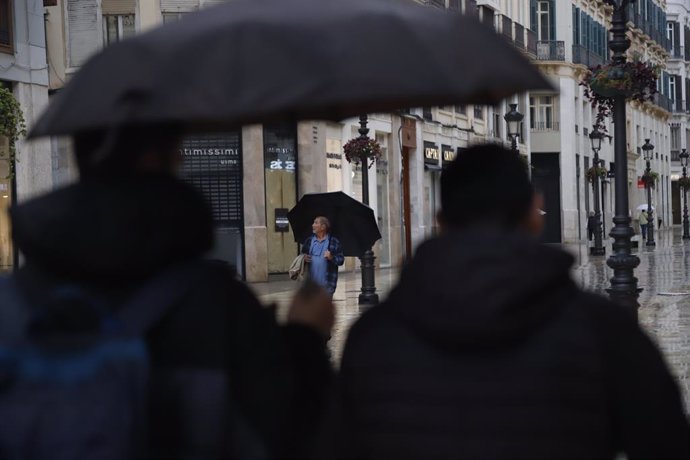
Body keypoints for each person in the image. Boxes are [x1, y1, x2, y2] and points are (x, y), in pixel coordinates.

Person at [328, 144, 689, 460]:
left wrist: (305, 341)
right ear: (535, 215)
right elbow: (668, 443)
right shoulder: (603, 331)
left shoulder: (373, 338)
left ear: (441, 222)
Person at [2, 125, 334, 459]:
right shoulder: (216, 305)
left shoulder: (9, 304)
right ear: (155, 158)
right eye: (176, 149)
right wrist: (306, 338)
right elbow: (294, 436)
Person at [302, 216, 344, 298]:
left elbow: (341, 260)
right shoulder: (309, 241)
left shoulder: (334, 241)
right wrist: (304, 258)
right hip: (311, 285)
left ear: (323, 227)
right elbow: (302, 256)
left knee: (324, 310)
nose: (313, 225)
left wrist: (331, 257)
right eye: (313, 222)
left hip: (327, 284)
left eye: (316, 223)